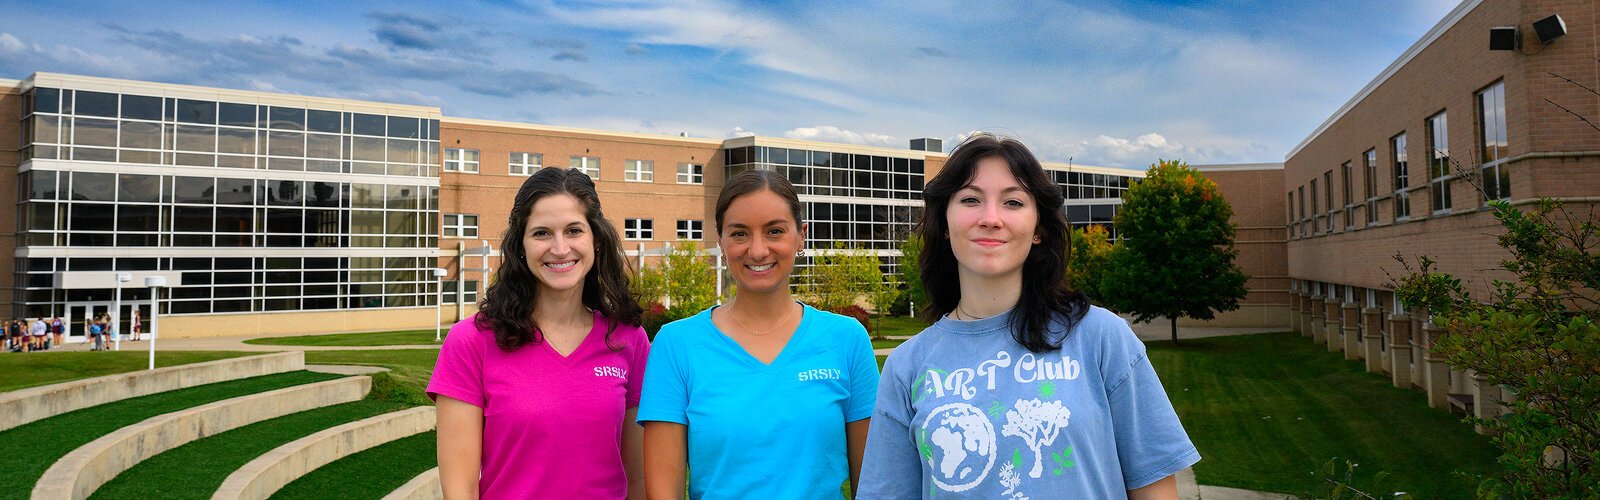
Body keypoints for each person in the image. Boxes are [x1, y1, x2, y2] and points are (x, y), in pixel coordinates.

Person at [857, 134, 1200, 499]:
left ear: (1038, 229)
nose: (990, 218)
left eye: (1013, 202)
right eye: (970, 199)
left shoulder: (1102, 338)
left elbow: (1154, 485)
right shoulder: (907, 366)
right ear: (944, 222)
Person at [639, 171, 879, 499]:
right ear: (720, 240)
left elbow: (874, 487)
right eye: (739, 233)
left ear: (801, 237)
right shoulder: (676, 345)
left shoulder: (847, 339)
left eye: (775, 231)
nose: (757, 250)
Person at [427, 167, 648, 499]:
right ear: (520, 245)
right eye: (542, 233)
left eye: (574, 230)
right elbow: (459, 489)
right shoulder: (471, 342)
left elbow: (640, 481)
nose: (560, 249)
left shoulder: (628, 339)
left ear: (596, 241)